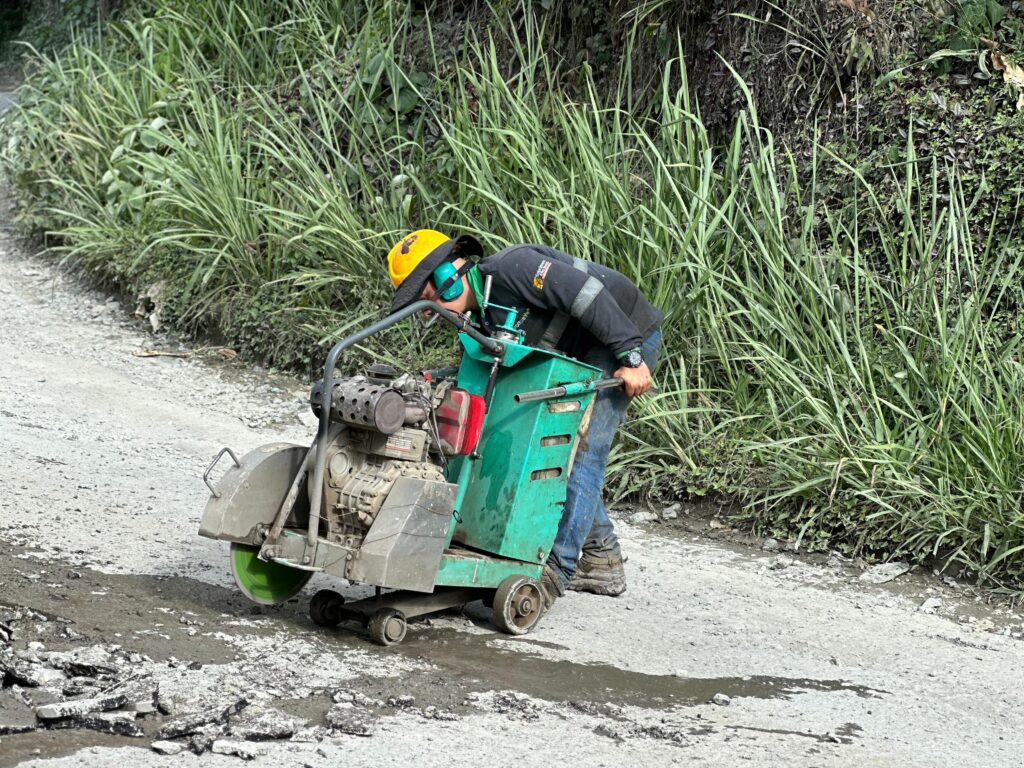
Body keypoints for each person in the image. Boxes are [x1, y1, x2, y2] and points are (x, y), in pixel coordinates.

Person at [387, 229, 663, 607]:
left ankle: (555, 571)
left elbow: (587, 295)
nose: (426, 308)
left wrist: (631, 357)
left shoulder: (513, 268)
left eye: (424, 296)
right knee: (534, 433)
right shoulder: (482, 314)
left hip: (621, 334)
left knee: (580, 446)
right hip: (578, 346)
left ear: (445, 280)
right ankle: (603, 558)